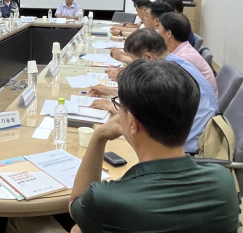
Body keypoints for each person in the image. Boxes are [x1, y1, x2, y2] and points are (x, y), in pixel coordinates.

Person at [2, 59, 239, 233]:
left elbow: (75, 206)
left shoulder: (108, 198)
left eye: (119, 106)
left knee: (20, 218)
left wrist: (99, 137)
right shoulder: (224, 181)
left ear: (132, 122)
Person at [90, 29, 218, 154]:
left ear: (148, 57)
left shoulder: (164, 78)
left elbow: (145, 120)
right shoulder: (176, 63)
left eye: (133, 61)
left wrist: (112, 107)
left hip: (187, 147)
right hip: (197, 134)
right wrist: (110, 91)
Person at [158, 12, 218, 97]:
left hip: (201, 103)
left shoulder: (182, 59)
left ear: (168, 34)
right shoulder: (184, 48)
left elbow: (173, 91)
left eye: (158, 28)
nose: (157, 32)